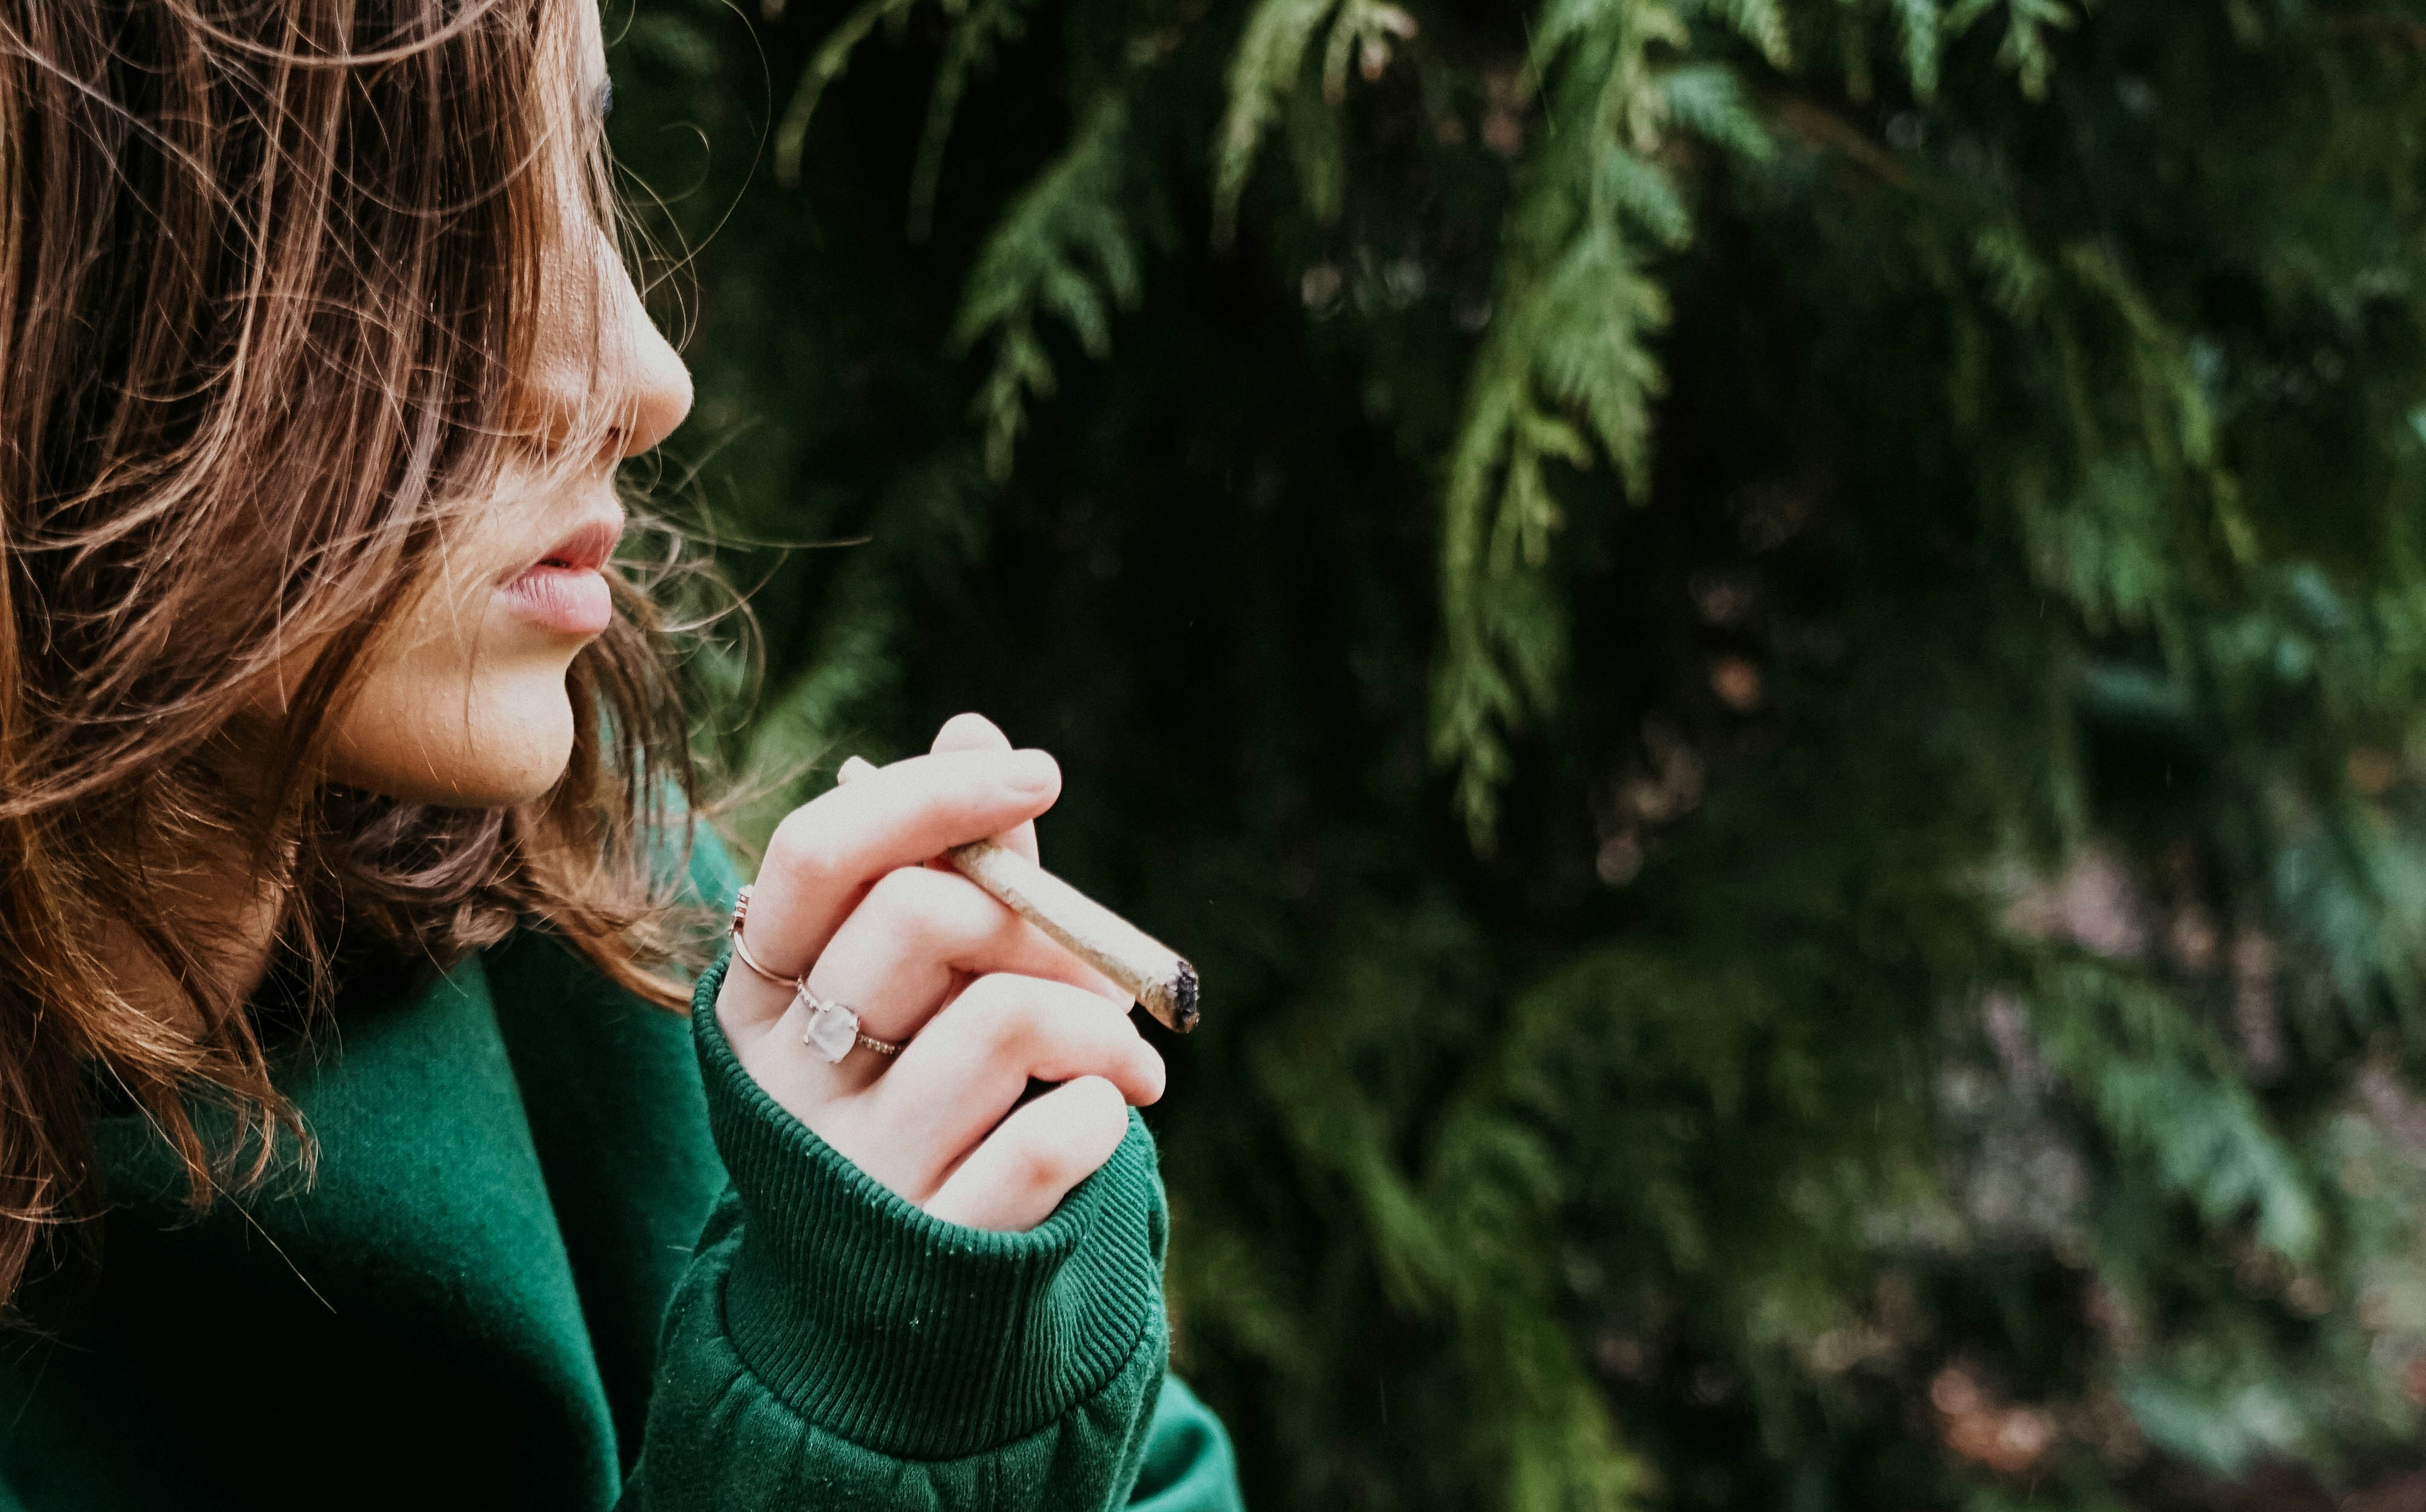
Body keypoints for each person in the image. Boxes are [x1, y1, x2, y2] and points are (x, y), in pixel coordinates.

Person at [0, 0, 1243, 1506]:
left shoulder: (579, 904)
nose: (643, 374)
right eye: (427, 229)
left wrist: (960, 1320)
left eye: (578, 163)